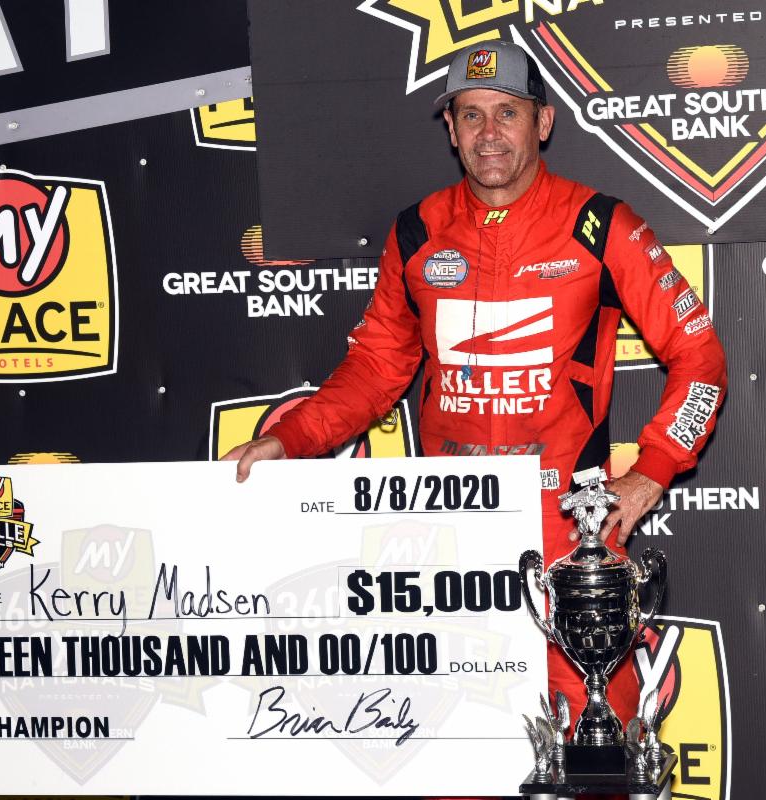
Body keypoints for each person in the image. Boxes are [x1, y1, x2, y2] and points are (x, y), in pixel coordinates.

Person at [224, 39, 726, 744]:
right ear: (451, 130)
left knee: (595, 750)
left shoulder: (600, 225)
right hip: (449, 529)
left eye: (507, 113)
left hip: (567, 531)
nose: (489, 133)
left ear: (542, 123)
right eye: (470, 115)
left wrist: (653, 470)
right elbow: (375, 368)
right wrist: (290, 438)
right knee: (453, 745)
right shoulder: (418, 232)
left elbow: (699, 356)